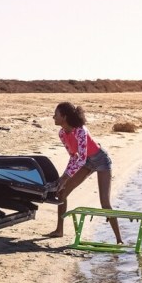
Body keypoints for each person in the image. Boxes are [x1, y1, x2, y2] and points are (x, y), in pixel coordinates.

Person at [48, 101, 124, 244]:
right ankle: (59, 230)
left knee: (105, 203)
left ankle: (119, 240)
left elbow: (81, 159)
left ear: (64, 117)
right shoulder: (62, 133)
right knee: (62, 192)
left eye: (56, 114)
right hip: (86, 162)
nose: (53, 117)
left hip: (101, 160)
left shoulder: (81, 131)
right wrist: (64, 178)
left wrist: (65, 177)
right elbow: (74, 156)